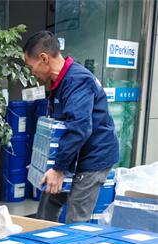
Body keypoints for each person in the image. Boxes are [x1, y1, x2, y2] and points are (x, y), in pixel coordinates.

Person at [23, 31, 119, 223]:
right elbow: (59, 128)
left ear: (44, 59)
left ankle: (73, 241)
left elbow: (79, 128)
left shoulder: (77, 81)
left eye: (30, 66)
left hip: (93, 157)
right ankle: (41, 239)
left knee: (76, 217)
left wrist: (59, 169)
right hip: (74, 153)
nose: (32, 72)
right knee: (48, 200)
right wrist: (42, 163)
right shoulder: (60, 81)